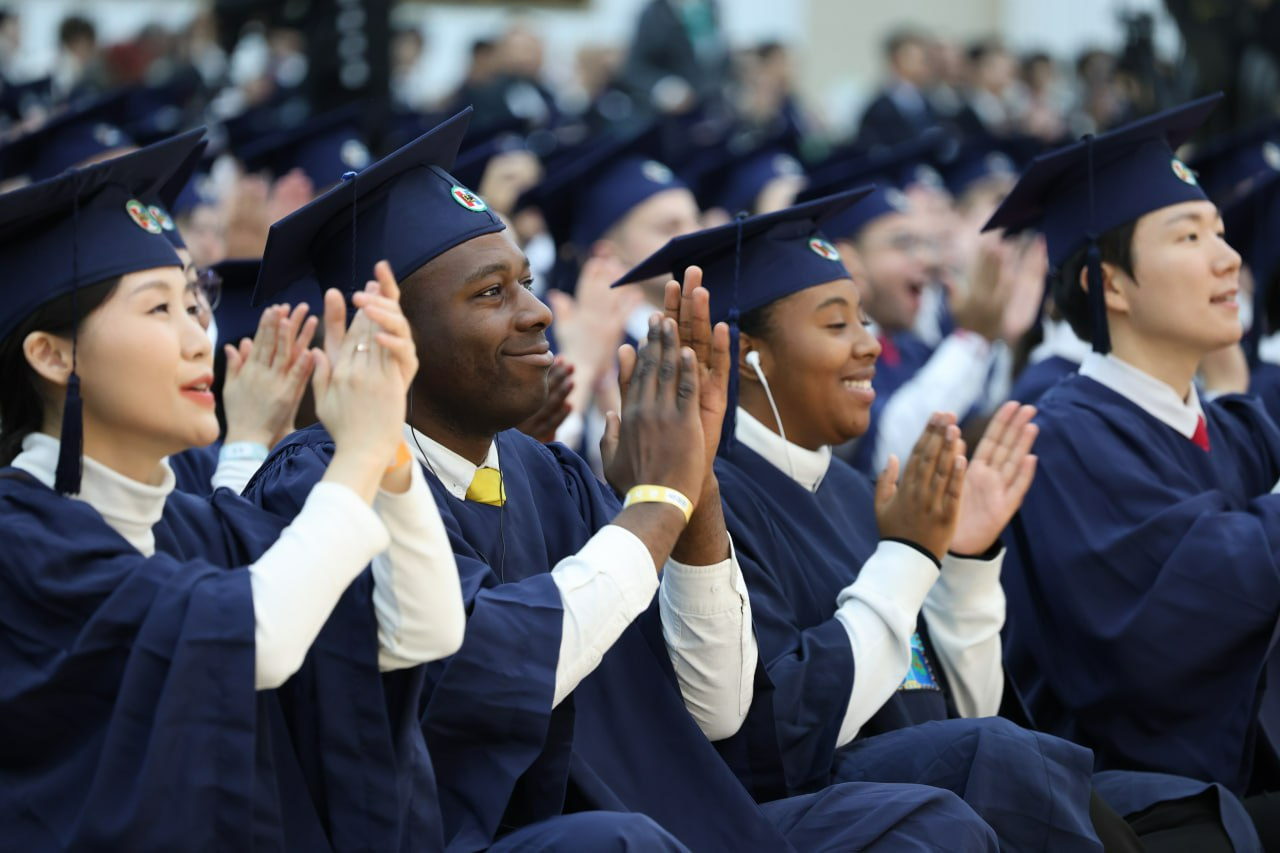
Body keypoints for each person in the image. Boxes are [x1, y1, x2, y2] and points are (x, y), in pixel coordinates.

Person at [246, 108, 1000, 852]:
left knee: (934, 818)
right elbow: (482, 671)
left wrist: (696, 488)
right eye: (490, 293)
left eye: (527, 283)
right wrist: (657, 506)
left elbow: (717, 704)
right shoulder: (321, 487)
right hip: (485, 838)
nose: (538, 312)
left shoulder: (551, 476)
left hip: (669, 817)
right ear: (389, 332)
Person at [617, 188, 1261, 852]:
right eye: (837, 325)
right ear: (748, 356)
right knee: (1006, 760)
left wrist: (966, 563)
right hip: (821, 814)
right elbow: (773, 734)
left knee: (1192, 812)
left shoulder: (852, 489)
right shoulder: (714, 501)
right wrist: (909, 558)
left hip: (947, 785)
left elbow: (960, 707)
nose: (870, 346)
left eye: (865, 321)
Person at [0, 130, 467, 850]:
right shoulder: (19, 537)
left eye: (197, 302)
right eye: (160, 309)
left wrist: (390, 451)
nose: (199, 339)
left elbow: (423, 628)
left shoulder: (196, 527)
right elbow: (255, 638)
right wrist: (358, 454)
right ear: (53, 354)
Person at [991, 93, 1280, 847]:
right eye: (1189, 236)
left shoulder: (1236, 428)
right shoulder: (1057, 438)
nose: (1229, 257)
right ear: (1109, 284)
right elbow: (1163, 628)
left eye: (1221, 232)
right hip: (1133, 804)